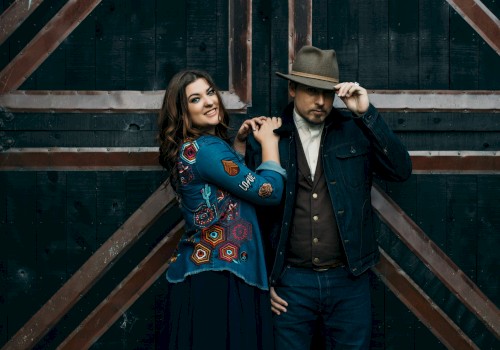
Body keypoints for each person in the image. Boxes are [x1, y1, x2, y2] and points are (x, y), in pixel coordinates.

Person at [245, 46, 413, 349]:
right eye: (312, 91)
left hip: (348, 281)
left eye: (328, 93)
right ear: (293, 89)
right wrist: (262, 279)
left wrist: (366, 113)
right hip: (289, 284)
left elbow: (400, 170)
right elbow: (250, 216)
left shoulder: (355, 130)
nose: (321, 102)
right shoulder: (269, 136)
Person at [156, 69, 285, 350]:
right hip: (219, 279)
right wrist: (270, 145)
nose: (209, 101)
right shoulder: (207, 149)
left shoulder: (196, 149)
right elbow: (269, 192)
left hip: (206, 276)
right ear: (183, 112)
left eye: (210, 92)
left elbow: (223, 191)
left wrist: (236, 146)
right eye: (195, 99)